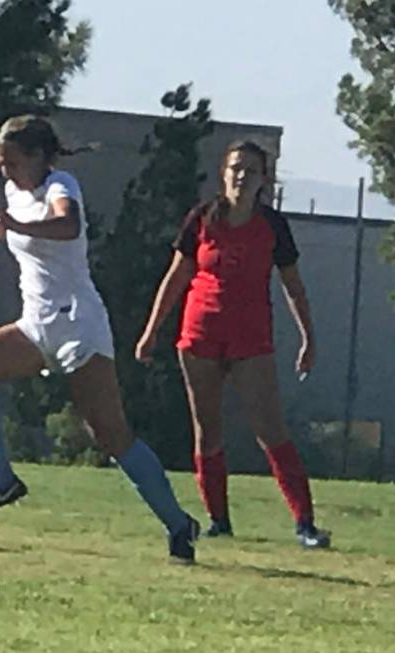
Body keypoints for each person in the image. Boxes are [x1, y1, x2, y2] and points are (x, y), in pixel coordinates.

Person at [0, 114, 200, 564]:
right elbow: (16, 221)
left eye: (13, 163)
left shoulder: (62, 185)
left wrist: (12, 227)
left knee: (112, 437)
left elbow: (67, 227)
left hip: (79, 326)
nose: (6, 173)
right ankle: (2, 483)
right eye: (0, 165)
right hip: (36, 324)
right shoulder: (13, 193)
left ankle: (179, 525)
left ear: (40, 157)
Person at [135, 140, 331, 549]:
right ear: (223, 172)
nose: (242, 176)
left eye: (251, 170)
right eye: (235, 168)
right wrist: (152, 330)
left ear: (264, 179)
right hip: (200, 333)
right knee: (207, 430)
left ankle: (305, 523)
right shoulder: (201, 219)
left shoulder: (273, 226)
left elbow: (293, 286)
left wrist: (309, 336)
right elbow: (176, 277)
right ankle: (218, 519)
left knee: (270, 429)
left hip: (251, 337)